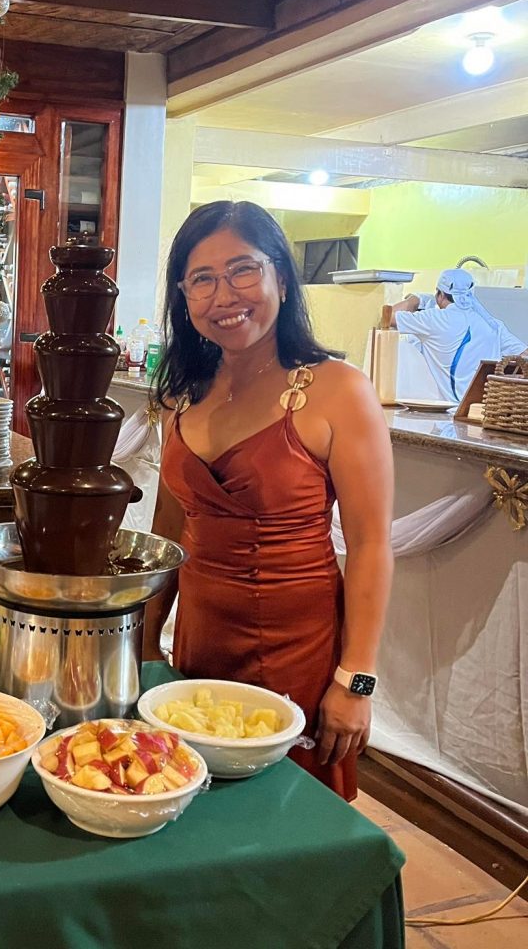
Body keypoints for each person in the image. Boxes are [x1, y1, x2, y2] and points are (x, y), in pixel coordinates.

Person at [144, 201, 393, 801]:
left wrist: (355, 681)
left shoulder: (339, 391)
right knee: (188, 799)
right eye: (202, 279)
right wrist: (146, 644)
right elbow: (167, 537)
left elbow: (370, 547)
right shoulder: (183, 396)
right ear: (184, 297)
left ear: (281, 275)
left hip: (297, 652)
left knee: (288, 813)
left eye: (243, 270)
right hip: (200, 642)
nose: (224, 295)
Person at [389, 268, 527, 403]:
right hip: (481, 409)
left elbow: (388, 317)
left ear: (440, 295)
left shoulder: (434, 319)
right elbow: (524, 355)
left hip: (447, 409)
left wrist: (416, 299)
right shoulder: (493, 325)